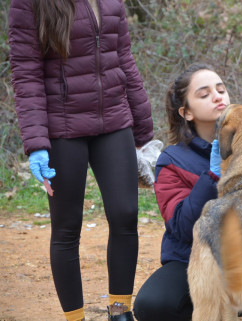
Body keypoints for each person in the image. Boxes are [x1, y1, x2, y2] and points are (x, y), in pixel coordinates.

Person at [8, 0, 153, 320]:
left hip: (114, 121)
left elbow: (124, 58)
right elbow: (26, 73)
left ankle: (120, 311)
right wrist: (36, 143)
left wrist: (143, 129)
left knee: (126, 214)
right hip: (62, 129)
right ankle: (75, 317)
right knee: (67, 227)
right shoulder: (29, 4)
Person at [132, 63, 242, 321]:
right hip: (193, 256)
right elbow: (181, 228)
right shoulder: (173, 160)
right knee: (154, 305)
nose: (217, 96)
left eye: (221, 89)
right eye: (204, 94)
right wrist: (212, 177)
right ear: (186, 112)